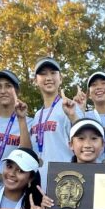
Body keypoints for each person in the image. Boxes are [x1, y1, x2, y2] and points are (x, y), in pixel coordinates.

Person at [29, 57, 84, 185]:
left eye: (53, 73)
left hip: (65, 182)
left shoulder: (70, 107)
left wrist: (73, 116)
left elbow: (84, 141)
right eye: (43, 74)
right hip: (39, 183)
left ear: (61, 78)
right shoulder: (38, 115)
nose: (48, 78)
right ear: (35, 81)